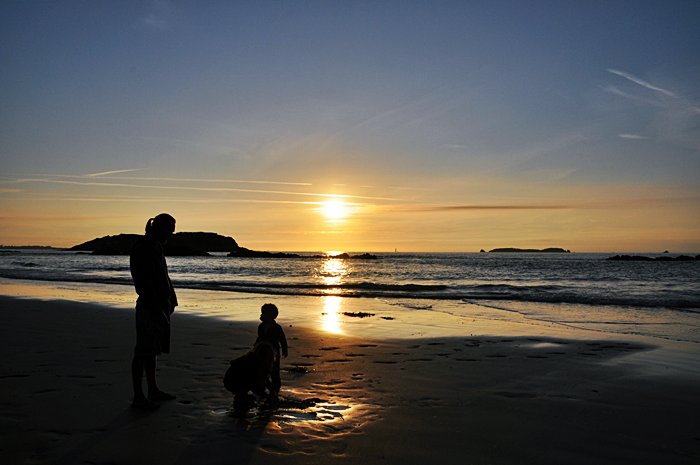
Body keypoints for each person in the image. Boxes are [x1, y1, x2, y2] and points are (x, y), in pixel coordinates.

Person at [129, 213, 178, 410]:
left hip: (159, 305)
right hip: (150, 306)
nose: (171, 235)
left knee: (152, 350)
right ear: (160, 228)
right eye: (169, 231)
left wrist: (171, 299)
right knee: (142, 350)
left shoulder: (156, 246)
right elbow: (145, 280)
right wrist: (158, 305)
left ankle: (152, 389)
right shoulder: (144, 247)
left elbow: (163, 276)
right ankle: (138, 397)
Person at [254, 303, 288, 399]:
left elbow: (282, 339)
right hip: (262, 351)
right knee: (262, 370)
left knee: (275, 371)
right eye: (261, 313)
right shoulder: (261, 326)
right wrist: (255, 346)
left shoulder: (277, 328)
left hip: (274, 353)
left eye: (263, 313)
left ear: (271, 316)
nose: (261, 315)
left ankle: (275, 387)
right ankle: (263, 386)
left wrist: (284, 349)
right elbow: (260, 338)